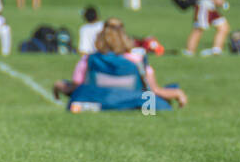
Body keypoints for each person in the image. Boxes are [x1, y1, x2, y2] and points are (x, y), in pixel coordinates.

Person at [57, 18, 187, 109]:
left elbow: (75, 87)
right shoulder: (137, 60)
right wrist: (177, 93)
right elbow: (154, 90)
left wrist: (58, 85)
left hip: (96, 101)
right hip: (133, 102)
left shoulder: (89, 60)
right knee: (158, 97)